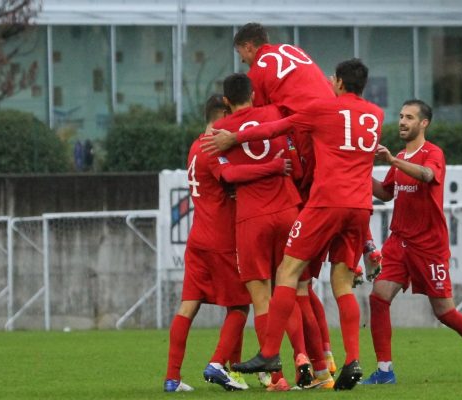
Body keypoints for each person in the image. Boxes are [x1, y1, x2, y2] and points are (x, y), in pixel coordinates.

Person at [204, 58, 385, 391]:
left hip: (325, 203)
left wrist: (232, 139)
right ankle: (353, 359)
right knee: (342, 284)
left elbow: (275, 129)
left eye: (333, 77)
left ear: (341, 83)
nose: (329, 81)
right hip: (360, 207)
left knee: (287, 273)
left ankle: (270, 354)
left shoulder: (323, 109)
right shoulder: (376, 115)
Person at [361, 99, 462, 385]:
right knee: (378, 297)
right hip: (399, 242)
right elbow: (385, 193)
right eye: (401, 116)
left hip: (428, 246)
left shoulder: (433, 153)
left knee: (445, 312)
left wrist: (393, 161)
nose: (403, 122)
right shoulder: (401, 155)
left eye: (409, 117)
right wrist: (357, 171)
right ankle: (384, 370)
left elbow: (428, 175)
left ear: (424, 123)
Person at [232, 22, 339, 378]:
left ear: (249, 47)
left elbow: (263, 122)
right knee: (304, 283)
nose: (244, 63)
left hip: (265, 210)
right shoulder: (293, 50)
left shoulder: (259, 72)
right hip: (331, 131)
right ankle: (322, 362)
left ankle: (280, 367)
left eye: (242, 54)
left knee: (283, 285)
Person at [164, 95, 289, 393]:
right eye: (231, 115)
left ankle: (172, 377)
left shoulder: (196, 146)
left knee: (188, 307)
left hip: (198, 238)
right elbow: (229, 173)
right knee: (241, 305)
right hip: (220, 238)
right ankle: (218, 364)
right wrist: (273, 167)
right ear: (222, 114)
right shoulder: (212, 147)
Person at [213, 73, 319, 391]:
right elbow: (297, 168)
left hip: (252, 218)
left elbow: (226, 175)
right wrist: (277, 169)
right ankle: (303, 358)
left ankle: (277, 378)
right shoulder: (275, 114)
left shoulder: (220, 131)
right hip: (287, 210)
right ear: (253, 93)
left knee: (262, 300)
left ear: (227, 101)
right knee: (290, 291)